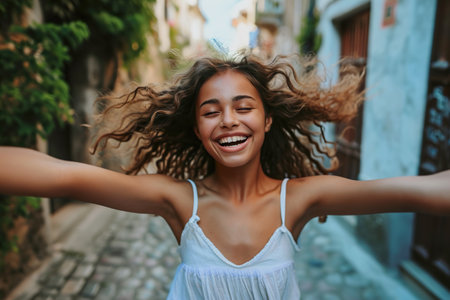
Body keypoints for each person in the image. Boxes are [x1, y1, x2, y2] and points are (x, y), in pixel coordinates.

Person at [0, 55, 449, 300]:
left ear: (267, 120)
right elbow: (63, 177)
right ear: (197, 129)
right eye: (211, 112)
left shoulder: (300, 200)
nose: (228, 121)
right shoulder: (179, 201)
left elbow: (413, 191)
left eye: (243, 107)